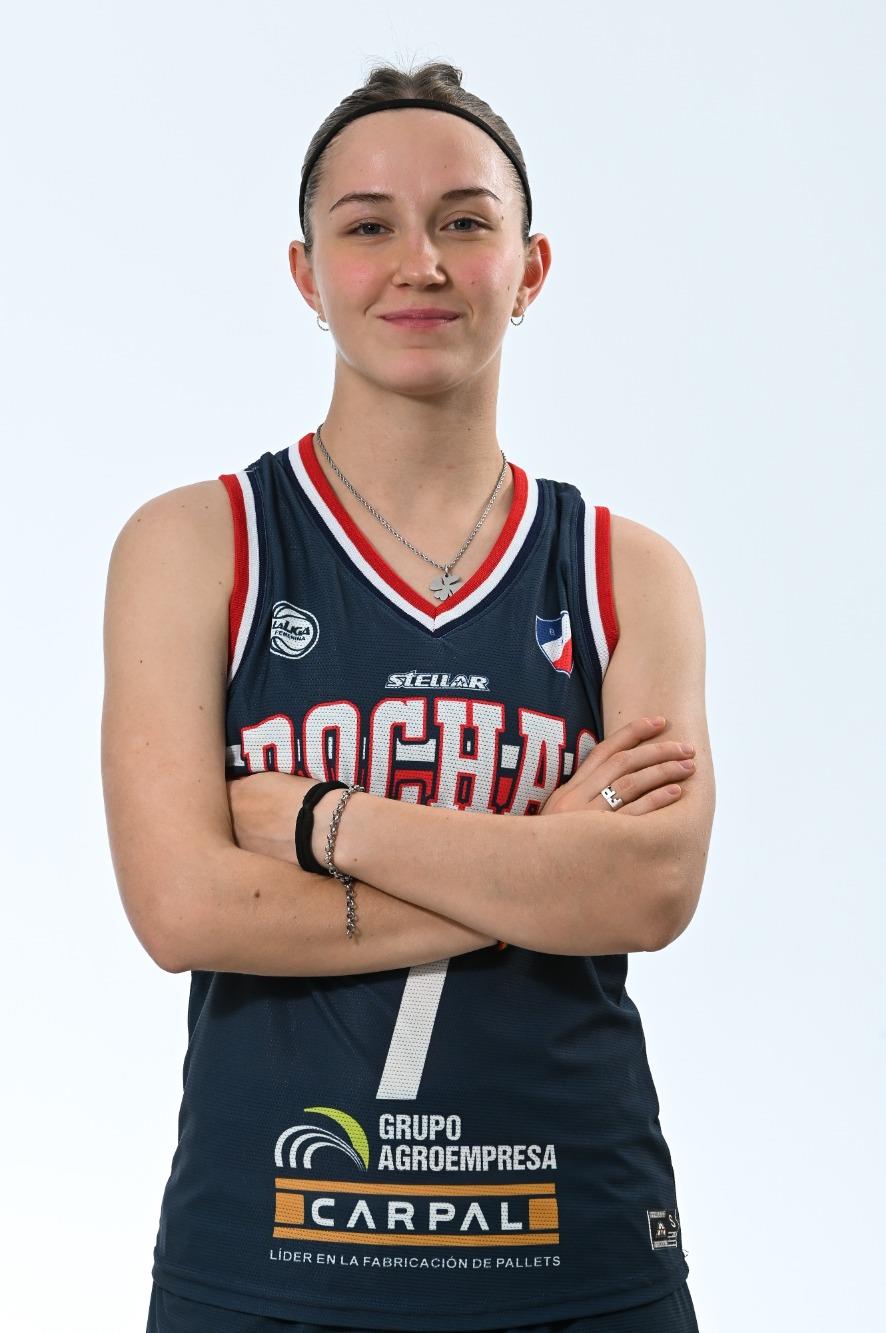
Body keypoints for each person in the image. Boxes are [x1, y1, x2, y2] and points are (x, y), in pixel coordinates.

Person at [102, 59, 715, 1333]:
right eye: (368, 225)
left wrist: (323, 821)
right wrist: (542, 867)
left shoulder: (624, 570)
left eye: (464, 222)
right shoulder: (197, 545)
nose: (419, 263)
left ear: (530, 269)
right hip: (270, 1249)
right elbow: (183, 907)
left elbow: (648, 890)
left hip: (578, 1243)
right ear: (306, 273)